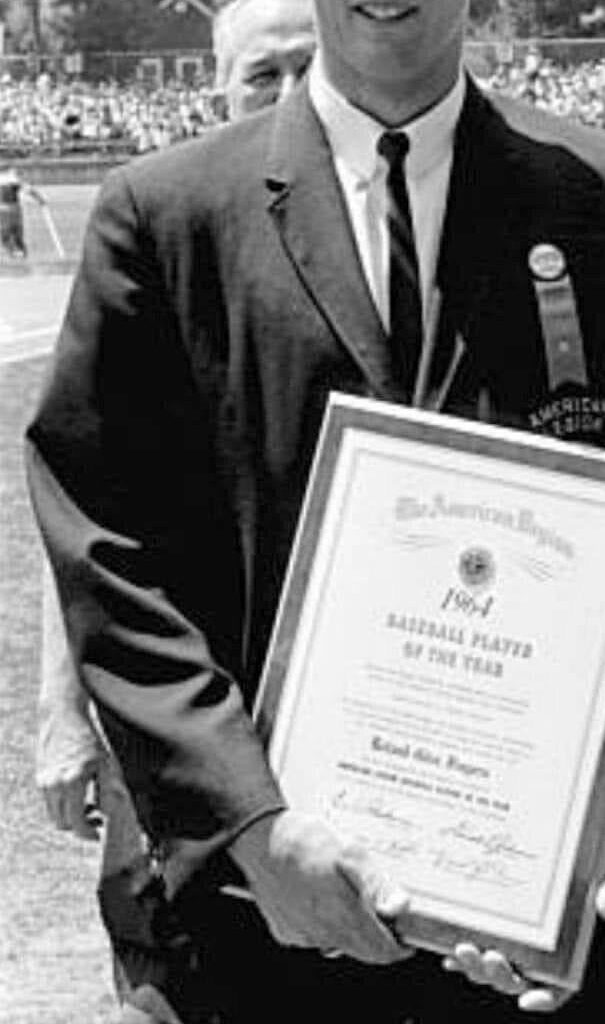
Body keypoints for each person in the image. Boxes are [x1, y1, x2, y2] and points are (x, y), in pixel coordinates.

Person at [26, 0, 605, 1019]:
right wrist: (249, 825)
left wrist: (602, 843)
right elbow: (105, 548)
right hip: (247, 940)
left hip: (529, 967)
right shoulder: (165, 216)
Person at [32, 2, 320, 1020]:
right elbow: (90, 507)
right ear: (216, 92)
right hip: (173, 727)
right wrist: (61, 712)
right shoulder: (156, 228)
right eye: (261, 77)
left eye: (307, 70)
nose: (287, 98)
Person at [0, 163, 47, 258]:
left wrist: (39, 198)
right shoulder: (13, 179)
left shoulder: (9, 179)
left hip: (6, 210)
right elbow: (28, 189)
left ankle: (17, 254)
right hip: (14, 209)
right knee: (15, 235)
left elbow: (27, 188)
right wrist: (40, 198)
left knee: (7, 235)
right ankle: (20, 253)